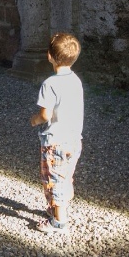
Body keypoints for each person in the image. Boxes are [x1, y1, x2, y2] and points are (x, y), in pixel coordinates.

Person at [28, 32, 84, 233]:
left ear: (49, 56)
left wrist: (35, 120)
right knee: (65, 175)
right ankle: (59, 209)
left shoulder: (50, 84)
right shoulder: (76, 81)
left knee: (53, 179)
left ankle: (59, 221)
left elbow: (46, 114)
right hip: (74, 139)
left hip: (56, 141)